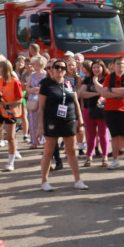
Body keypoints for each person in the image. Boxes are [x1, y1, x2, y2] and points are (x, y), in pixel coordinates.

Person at [38, 58, 88, 191]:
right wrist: (40, 126)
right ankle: (44, 181)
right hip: (51, 121)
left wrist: (80, 122)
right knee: (48, 151)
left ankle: (78, 180)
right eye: (57, 67)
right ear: (51, 69)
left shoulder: (69, 83)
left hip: (68, 121)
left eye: (63, 68)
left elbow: (76, 103)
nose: (60, 70)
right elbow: (41, 107)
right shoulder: (46, 84)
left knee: (71, 150)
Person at [98, 56, 124, 171]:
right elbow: (104, 93)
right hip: (110, 109)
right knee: (114, 136)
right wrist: (119, 93)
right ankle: (115, 160)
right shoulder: (109, 77)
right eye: (118, 64)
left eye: (123, 64)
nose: (121, 66)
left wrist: (111, 90)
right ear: (113, 65)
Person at [78, 59, 110, 167]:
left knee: (103, 133)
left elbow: (104, 92)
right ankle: (89, 157)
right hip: (88, 108)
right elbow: (81, 93)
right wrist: (96, 94)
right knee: (90, 134)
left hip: (102, 109)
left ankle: (104, 156)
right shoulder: (87, 79)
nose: (96, 69)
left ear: (102, 68)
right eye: (94, 67)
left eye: (98, 67)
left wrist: (96, 83)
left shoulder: (107, 78)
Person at [25, 56, 46, 149]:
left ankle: (44, 141)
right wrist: (33, 89)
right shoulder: (32, 75)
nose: (32, 65)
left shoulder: (46, 74)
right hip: (33, 101)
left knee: (44, 121)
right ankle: (34, 141)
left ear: (40, 64)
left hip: (44, 101)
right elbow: (27, 88)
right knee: (33, 121)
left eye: (34, 64)